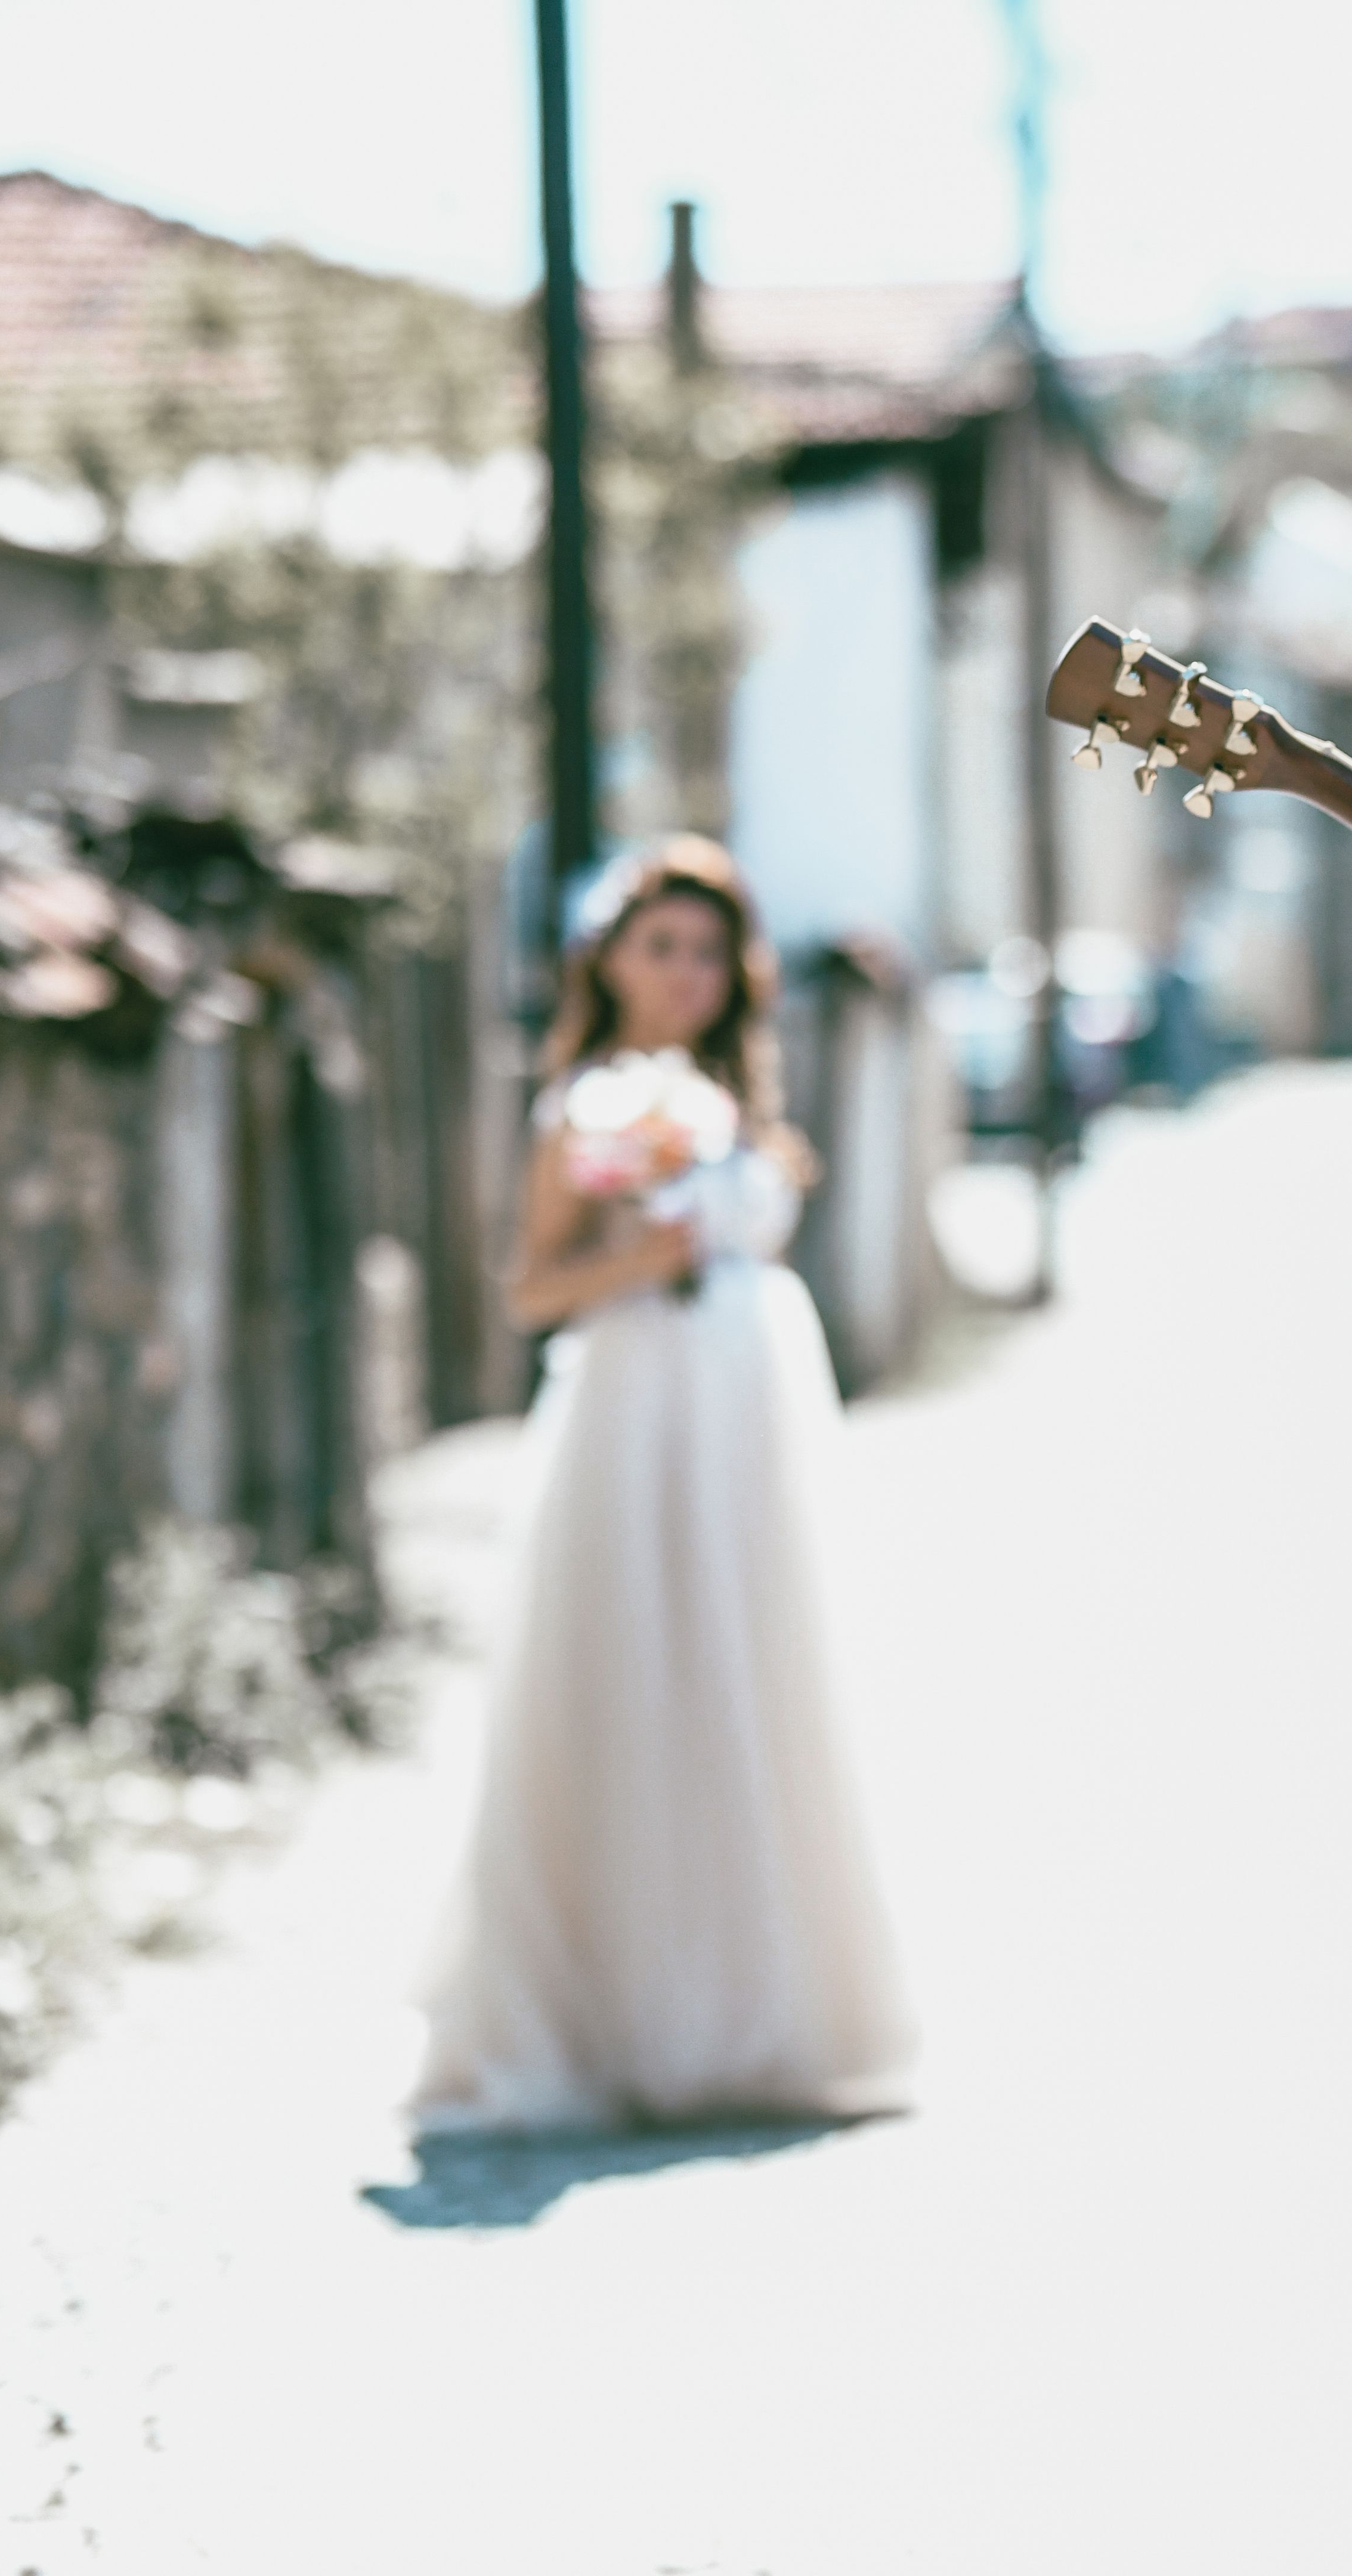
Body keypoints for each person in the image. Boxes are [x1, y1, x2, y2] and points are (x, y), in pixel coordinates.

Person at [412, 837, 916, 2134]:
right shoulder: (581, 1107)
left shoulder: (745, 1103)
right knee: (633, 1678)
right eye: (662, 948)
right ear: (611, 962)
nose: (688, 974)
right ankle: (623, 2011)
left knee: (758, 1682)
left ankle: (765, 2005)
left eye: (708, 951)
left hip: (750, 1419)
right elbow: (530, 1290)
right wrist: (645, 1252)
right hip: (634, 1416)